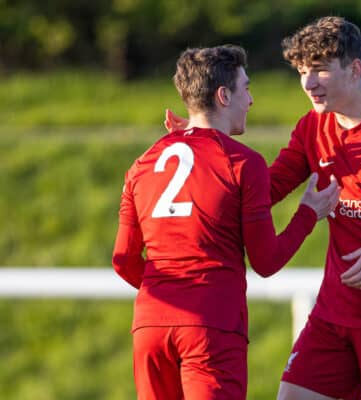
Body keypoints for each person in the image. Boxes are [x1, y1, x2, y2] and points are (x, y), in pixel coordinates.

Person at [166, 16, 361, 400]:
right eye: (303, 71)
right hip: (333, 314)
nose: (308, 83)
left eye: (320, 70)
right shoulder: (312, 128)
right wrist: (202, 143)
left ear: (355, 69)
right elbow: (264, 190)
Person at [113, 44, 340, 400]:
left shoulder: (143, 163)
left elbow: (123, 260)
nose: (250, 100)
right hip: (211, 326)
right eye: (246, 88)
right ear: (223, 95)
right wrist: (308, 213)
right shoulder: (243, 162)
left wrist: (171, 295)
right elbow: (266, 262)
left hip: (150, 327)